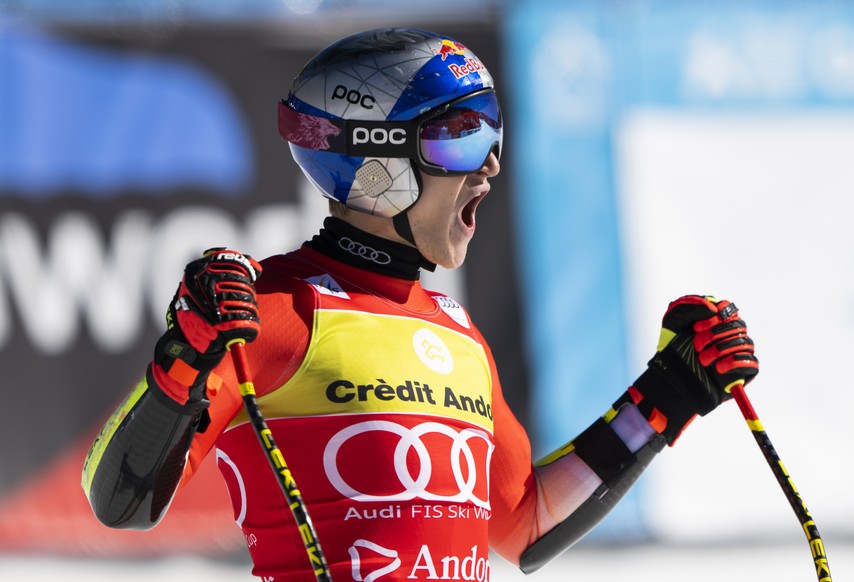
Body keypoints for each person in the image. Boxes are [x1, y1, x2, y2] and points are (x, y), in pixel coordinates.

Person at [81, 27, 759, 581]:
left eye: (493, 132)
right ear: (378, 163)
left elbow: (524, 525)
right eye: (460, 133)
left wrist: (666, 397)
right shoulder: (271, 310)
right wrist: (183, 360)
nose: (489, 163)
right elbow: (118, 501)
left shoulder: (457, 332)